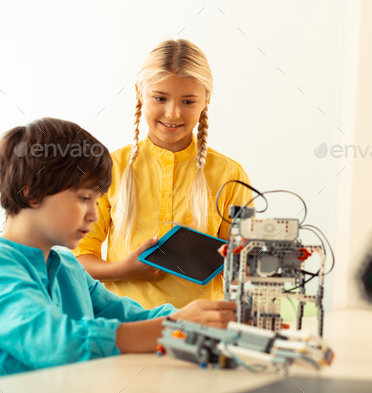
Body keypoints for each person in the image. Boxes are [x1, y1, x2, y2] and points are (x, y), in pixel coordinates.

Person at [0, 118, 237, 382]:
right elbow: (60, 345)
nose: (94, 215)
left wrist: (200, 316)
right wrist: (176, 324)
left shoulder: (66, 267)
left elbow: (128, 316)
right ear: (31, 191)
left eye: (96, 201)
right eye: (84, 198)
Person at [73, 39, 253, 309]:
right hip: (122, 324)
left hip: (198, 328)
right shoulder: (108, 168)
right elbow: (76, 259)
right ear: (139, 93)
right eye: (160, 98)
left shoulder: (230, 174)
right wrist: (123, 270)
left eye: (188, 101)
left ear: (206, 99)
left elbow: (244, 265)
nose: (173, 112)